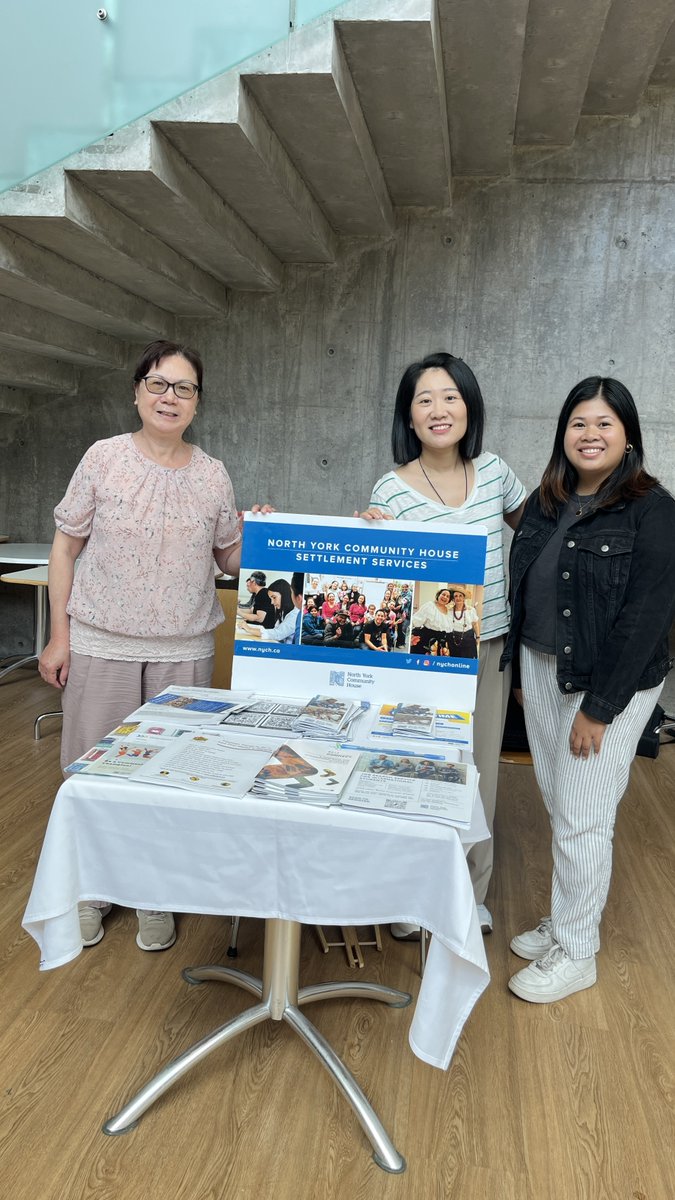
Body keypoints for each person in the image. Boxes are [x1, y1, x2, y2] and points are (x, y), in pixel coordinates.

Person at [38, 338, 269, 953]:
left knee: (172, 777)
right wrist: (59, 636)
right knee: (94, 774)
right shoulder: (103, 459)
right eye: (159, 384)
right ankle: (90, 890)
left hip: (184, 649)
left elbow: (231, 558)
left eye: (184, 388)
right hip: (100, 642)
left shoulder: (212, 473)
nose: (170, 397)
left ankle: (154, 893)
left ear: (197, 402)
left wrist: (265, 531)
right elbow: (65, 548)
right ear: (138, 391)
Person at [501, 377, 675, 1002]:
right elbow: (524, 584)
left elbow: (646, 618)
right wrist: (522, 674)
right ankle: (566, 918)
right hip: (542, 669)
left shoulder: (654, 510)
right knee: (561, 802)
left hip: (608, 686)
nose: (590, 434)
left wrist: (600, 710)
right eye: (579, 422)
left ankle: (578, 951)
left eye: (605, 423)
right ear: (563, 433)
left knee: (582, 817)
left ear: (628, 435)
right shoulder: (549, 500)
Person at [357, 351, 526, 935]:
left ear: (469, 405)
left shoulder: (498, 473)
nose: (438, 409)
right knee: (418, 768)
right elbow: (375, 576)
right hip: (421, 657)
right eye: (425, 399)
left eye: (450, 396)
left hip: (490, 648)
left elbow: (541, 533)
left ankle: (467, 895)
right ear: (408, 416)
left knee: (480, 773)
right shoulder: (391, 488)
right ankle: (410, 895)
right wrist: (368, 537)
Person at [241, 574, 304, 644]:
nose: (272, 602)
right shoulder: (282, 611)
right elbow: (275, 630)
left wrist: (249, 629)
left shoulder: (295, 614)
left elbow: (277, 634)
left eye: (274, 597)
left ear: (284, 596)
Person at [447, 589, 480, 658]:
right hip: (453, 640)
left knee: (468, 661)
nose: (458, 598)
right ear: (453, 599)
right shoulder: (449, 611)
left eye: (460, 596)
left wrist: (478, 637)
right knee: (455, 662)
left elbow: (475, 624)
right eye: (456, 596)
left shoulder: (471, 610)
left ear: (464, 598)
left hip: (468, 639)